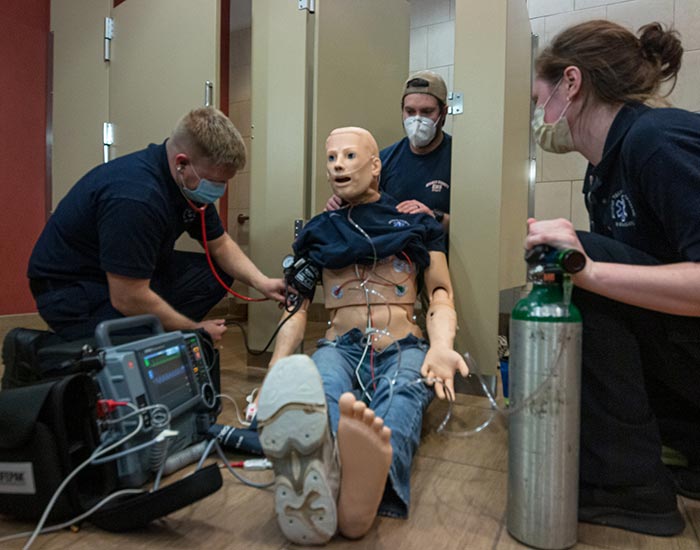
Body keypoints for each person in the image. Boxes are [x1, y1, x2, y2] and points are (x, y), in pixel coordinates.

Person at [527, 20, 700, 537]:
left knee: (577, 260)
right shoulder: (606, 169)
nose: (541, 117)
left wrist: (590, 267)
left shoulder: (656, 140)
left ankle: (630, 489)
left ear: (571, 83)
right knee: (580, 257)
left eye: (541, 99)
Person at [256, 126, 469, 544]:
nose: (338, 164)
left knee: (402, 393)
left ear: (375, 167)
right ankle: (341, 478)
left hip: (402, 343)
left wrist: (442, 346)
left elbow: (440, 290)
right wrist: (277, 367)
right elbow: (296, 305)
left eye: (350, 156)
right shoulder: (318, 231)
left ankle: (356, 489)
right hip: (339, 344)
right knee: (321, 389)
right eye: (332, 157)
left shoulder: (416, 224)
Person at [27, 106, 285, 342]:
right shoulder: (136, 196)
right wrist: (194, 330)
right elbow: (128, 296)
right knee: (139, 338)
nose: (219, 190)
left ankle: (155, 331)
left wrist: (262, 282)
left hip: (126, 278)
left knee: (214, 273)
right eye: (214, 181)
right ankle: (77, 343)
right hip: (72, 290)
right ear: (182, 162)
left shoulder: (185, 185)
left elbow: (220, 244)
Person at [326, 71, 451, 231]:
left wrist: (434, 217)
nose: (417, 120)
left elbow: (475, 226)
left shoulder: (457, 159)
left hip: (440, 252)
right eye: (410, 111)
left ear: (444, 113)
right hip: (392, 252)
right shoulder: (384, 160)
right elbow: (365, 208)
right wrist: (343, 201)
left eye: (427, 112)